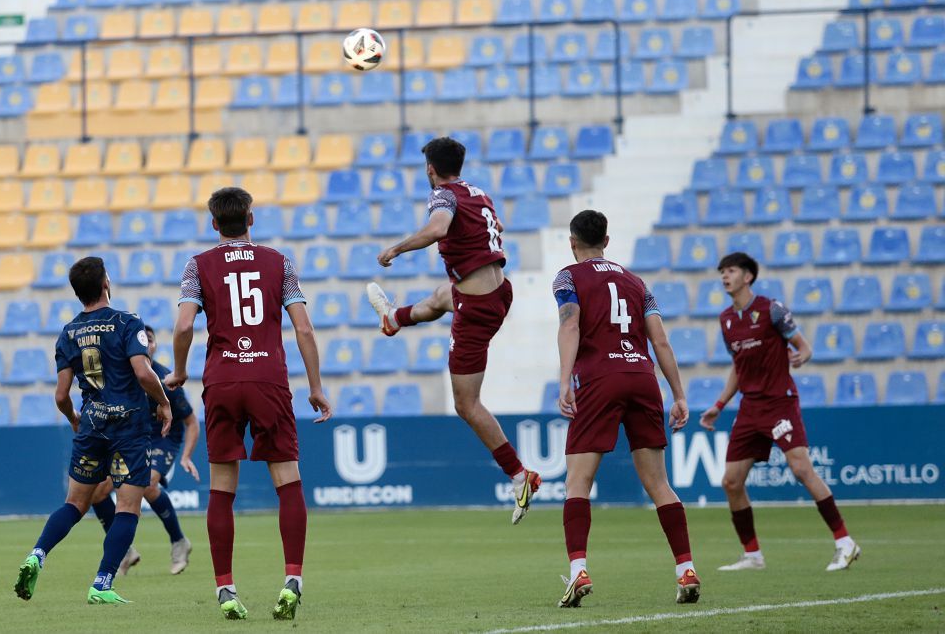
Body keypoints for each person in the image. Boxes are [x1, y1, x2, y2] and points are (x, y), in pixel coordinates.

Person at [164, 187, 332, 621]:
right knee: (287, 479)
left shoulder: (197, 265)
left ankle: (226, 589)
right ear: (251, 221)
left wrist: (180, 371)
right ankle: (293, 578)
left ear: (214, 224)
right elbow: (306, 331)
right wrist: (315, 386)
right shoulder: (280, 262)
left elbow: (183, 324)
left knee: (222, 485)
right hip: (268, 379)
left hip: (221, 380)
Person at [366, 136, 541, 525]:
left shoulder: (442, 195)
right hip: (495, 291)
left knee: (466, 404)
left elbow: (438, 228)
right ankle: (394, 318)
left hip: (477, 309)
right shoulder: (477, 192)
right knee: (441, 297)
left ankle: (519, 474)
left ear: (430, 169)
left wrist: (396, 248)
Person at [552, 210, 700, 608]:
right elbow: (661, 341)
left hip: (600, 378)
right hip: (641, 377)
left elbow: (570, 326)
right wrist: (679, 394)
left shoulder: (569, 276)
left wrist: (565, 381)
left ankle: (578, 569)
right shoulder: (637, 283)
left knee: (578, 482)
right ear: (607, 240)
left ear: (572, 242)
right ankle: (685, 568)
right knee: (658, 483)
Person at [14, 257, 172, 605]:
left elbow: (60, 395)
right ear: (106, 284)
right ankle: (102, 583)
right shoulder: (128, 323)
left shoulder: (68, 333)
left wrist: (75, 418)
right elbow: (144, 374)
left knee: (74, 503)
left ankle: (37, 554)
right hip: (129, 426)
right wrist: (164, 402)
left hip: (92, 423)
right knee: (129, 507)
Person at [700, 252, 860, 572]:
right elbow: (738, 367)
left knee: (801, 469)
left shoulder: (772, 309)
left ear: (748, 277)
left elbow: (803, 345)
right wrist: (719, 405)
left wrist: (803, 354)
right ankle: (753, 555)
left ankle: (845, 542)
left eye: (730, 271)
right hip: (749, 407)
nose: (724, 277)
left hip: (779, 402)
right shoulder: (726, 320)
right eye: (722, 272)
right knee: (731, 482)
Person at [89, 324, 199, 576]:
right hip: (131, 437)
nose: (145, 344)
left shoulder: (166, 379)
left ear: (154, 346)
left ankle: (179, 542)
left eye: (150, 340)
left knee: (148, 483)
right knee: (97, 492)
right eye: (142, 340)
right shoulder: (122, 376)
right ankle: (126, 550)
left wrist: (186, 455)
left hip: (163, 438)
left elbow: (191, 422)